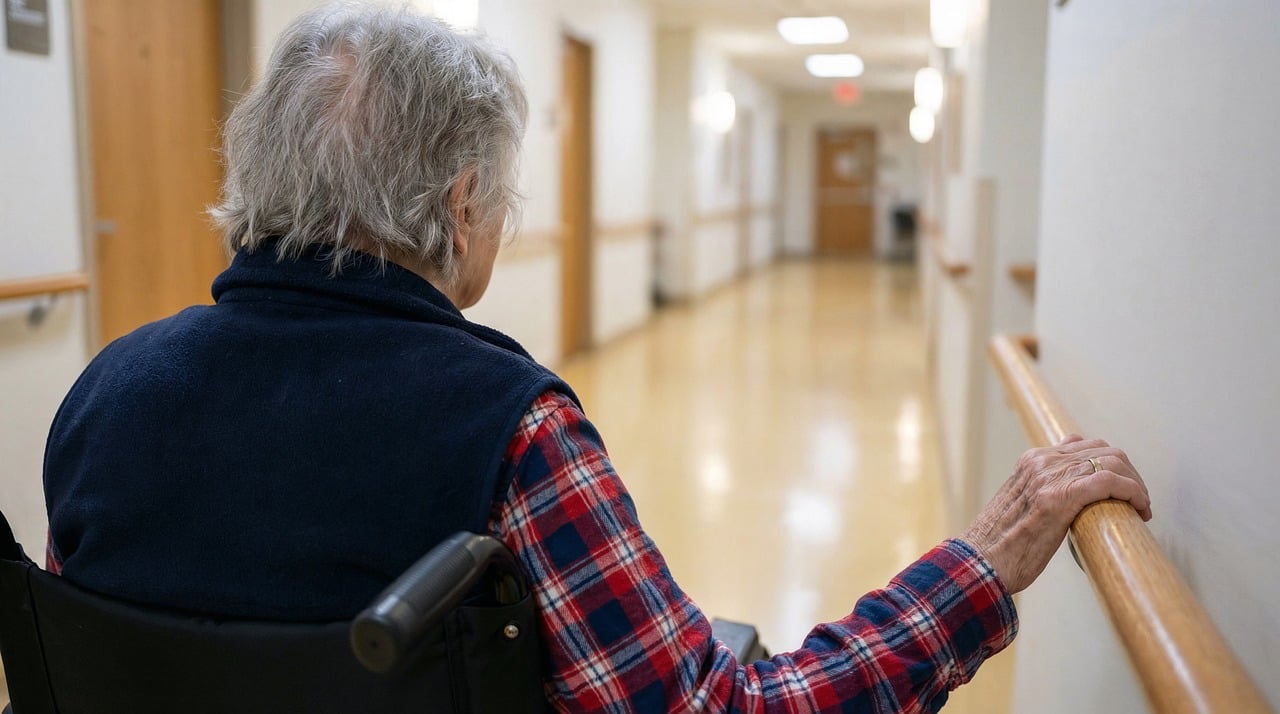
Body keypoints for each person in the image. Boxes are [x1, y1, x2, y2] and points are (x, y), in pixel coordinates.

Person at [43, 5, 1152, 712]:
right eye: (504, 192)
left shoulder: (106, 391)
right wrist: (978, 566)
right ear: (461, 202)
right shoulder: (507, 426)